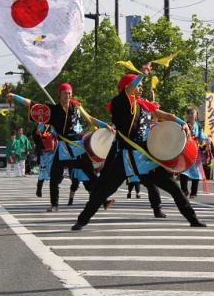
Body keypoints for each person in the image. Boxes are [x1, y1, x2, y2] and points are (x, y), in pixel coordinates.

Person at [71, 73, 206, 230]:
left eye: (141, 85)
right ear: (129, 88)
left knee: (173, 187)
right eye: (138, 85)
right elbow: (128, 90)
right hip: (127, 157)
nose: (141, 88)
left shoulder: (142, 104)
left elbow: (162, 114)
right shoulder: (120, 103)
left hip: (146, 156)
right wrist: (141, 73)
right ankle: (82, 220)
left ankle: (192, 218)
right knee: (105, 190)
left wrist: (182, 122)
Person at [8, 84, 108, 212]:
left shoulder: (77, 108)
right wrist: (15, 96)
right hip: (63, 149)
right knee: (54, 178)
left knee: (91, 176)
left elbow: (91, 119)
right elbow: (33, 105)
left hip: (78, 148)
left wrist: (106, 126)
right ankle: (54, 205)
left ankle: (104, 201)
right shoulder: (53, 111)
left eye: (70, 93)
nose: (68, 95)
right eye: (65, 93)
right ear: (59, 95)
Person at [179, 107, 208, 198]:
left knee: (196, 172)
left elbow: (202, 138)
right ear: (186, 116)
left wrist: (204, 140)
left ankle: (194, 192)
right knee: (183, 171)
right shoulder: (184, 125)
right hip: (185, 151)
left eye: (193, 113)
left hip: (195, 152)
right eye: (189, 113)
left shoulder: (199, 126)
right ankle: (184, 190)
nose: (191, 115)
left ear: (196, 116)